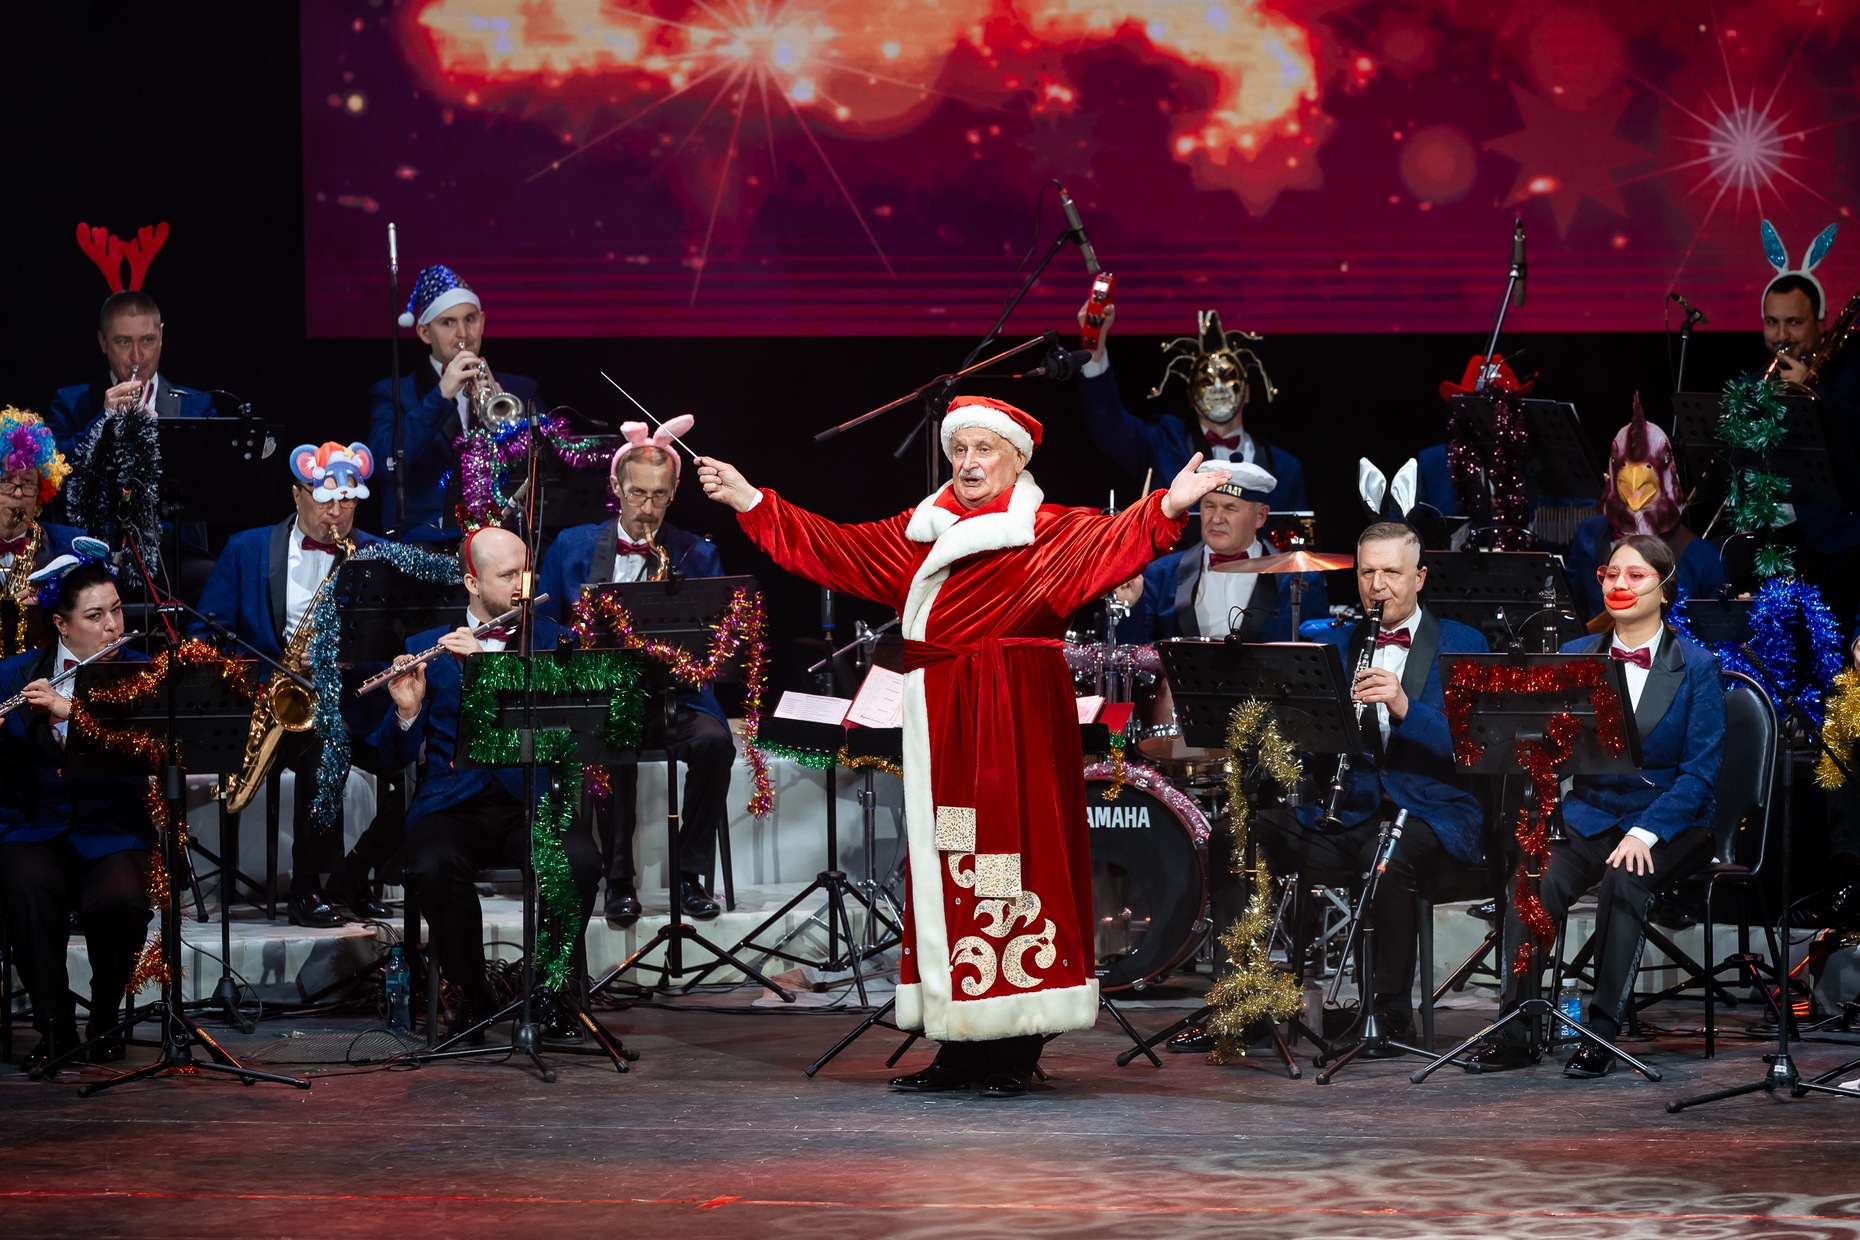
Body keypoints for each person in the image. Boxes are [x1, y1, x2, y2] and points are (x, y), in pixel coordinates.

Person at [697, 394, 1228, 1097]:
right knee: (954, 860)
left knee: (1011, 865)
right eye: (960, 450)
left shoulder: (1045, 530)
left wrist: (1167, 508)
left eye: (984, 450)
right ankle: (960, 1037)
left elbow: (1113, 540)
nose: (969, 463)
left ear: (1016, 459)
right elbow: (833, 547)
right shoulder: (919, 532)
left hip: (1012, 724)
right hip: (944, 730)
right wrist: (751, 500)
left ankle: (1015, 1040)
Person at [1465, 534, 1724, 1078]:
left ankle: (1602, 1033)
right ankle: (1516, 1031)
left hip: (1670, 820)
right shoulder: (1575, 655)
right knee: (1533, 881)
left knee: (1624, 882)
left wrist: (1645, 833)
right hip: (1592, 813)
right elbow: (1550, 750)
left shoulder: (1697, 666)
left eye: (1635, 575)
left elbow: (1700, 775)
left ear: (1664, 589)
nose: (1619, 584)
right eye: (1611, 574)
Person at [1247, 521, 1490, 1051]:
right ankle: (1243, 1003)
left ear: (1419, 577)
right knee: (1239, 836)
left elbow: (1475, 746)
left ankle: (1388, 1013)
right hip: (1349, 808)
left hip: (1432, 810)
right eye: (1367, 573)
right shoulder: (1336, 643)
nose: (1377, 586)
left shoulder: (1464, 642)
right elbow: (1308, 741)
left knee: (1385, 859)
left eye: (1391, 573)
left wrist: (1404, 705)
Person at [371, 526, 601, 1041]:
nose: (523, 585)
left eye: (526, 572)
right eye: (507, 575)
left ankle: (550, 990)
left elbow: (569, 736)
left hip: (533, 798)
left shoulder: (556, 642)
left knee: (580, 862)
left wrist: (486, 668)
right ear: (472, 583)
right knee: (431, 864)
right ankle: (473, 991)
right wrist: (406, 713)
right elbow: (391, 758)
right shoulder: (423, 647)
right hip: (454, 803)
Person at [536, 416, 731, 924]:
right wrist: (576, 647)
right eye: (638, 494)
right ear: (616, 487)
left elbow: (716, 639)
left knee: (715, 742)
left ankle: (689, 875)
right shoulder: (572, 545)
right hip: (603, 694)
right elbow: (543, 626)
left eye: (660, 496)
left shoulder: (697, 552)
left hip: (675, 695)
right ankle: (619, 880)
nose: (647, 508)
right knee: (613, 732)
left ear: (674, 492)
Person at [191, 442, 384, 927]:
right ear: (297, 494)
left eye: (348, 501)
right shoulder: (247, 548)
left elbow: (393, 633)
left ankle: (314, 886)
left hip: (342, 701)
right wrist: (250, 685)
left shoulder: (373, 552)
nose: (337, 513)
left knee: (335, 745)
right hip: (265, 696)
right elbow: (204, 633)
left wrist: (355, 656)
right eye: (325, 499)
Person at [0, 559, 153, 1073]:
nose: (113, 626)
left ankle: (105, 1019)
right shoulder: (14, 674)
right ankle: (54, 1024)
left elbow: (153, 751)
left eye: (116, 611)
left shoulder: (142, 674)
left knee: (122, 899)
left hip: (112, 826)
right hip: (34, 824)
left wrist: (73, 714)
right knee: (26, 888)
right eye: (95, 615)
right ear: (62, 625)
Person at [1077, 303, 1305, 511]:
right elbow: (1107, 424)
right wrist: (1094, 347)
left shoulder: (1286, 469)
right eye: (1206, 382)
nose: (1218, 388)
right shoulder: (1163, 444)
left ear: (1246, 393)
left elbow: (1298, 538)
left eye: (1227, 377)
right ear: (1190, 397)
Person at [368, 265, 540, 540]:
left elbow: (539, 468)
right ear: (424, 332)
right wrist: (440, 396)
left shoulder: (519, 389)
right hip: (425, 540)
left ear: (482, 321)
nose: (463, 333)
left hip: (501, 535)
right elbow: (384, 462)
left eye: (470, 319)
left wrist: (508, 425)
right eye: (448, 322)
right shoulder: (394, 392)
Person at [1753, 221, 1860, 619]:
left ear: (1821, 322)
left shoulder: (1851, 372)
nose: (1782, 335)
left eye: (1794, 322)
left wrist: (1813, 395)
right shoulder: (1754, 381)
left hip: (1838, 543)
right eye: (1772, 322)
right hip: (1771, 542)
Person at [1114, 461, 1326, 645]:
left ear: (1260, 516)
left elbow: (1320, 653)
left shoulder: (1299, 578)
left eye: (1230, 508)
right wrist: (1129, 606)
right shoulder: (1160, 574)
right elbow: (1132, 657)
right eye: (1209, 506)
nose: (1216, 519)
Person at [1566, 397, 1724, 619]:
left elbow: (1717, 629)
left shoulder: (1702, 558)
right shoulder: (1589, 535)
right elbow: (1570, 607)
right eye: (1623, 464)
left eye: (1649, 465)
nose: (1633, 477)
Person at [44, 290, 217, 458]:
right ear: (103, 342)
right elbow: (54, 469)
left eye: (147, 340)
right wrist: (104, 421)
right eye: (124, 342)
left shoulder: (199, 406)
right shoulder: (67, 403)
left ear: (161, 336)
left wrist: (159, 435)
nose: (137, 356)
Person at [1, 408, 83, 659]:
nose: (17, 493)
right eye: (6, 480)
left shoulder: (70, 547)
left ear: (41, 490)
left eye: (27, 482)